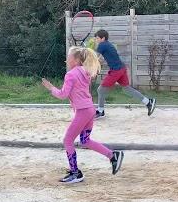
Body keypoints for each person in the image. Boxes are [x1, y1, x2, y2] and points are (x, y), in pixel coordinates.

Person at [42, 46, 124, 184]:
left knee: (67, 141)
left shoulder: (71, 74)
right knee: (85, 140)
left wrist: (51, 88)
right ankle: (113, 155)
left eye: (68, 56)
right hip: (90, 110)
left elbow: (63, 94)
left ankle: (76, 173)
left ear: (76, 60)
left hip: (82, 112)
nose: (66, 59)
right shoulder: (85, 71)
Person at [93, 29, 156, 119]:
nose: (96, 39)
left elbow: (95, 57)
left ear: (102, 38)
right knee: (127, 88)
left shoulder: (102, 45)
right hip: (121, 68)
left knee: (101, 89)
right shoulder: (108, 44)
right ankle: (148, 102)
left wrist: (85, 53)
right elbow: (101, 58)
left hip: (116, 70)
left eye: (97, 38)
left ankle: (100, 110)